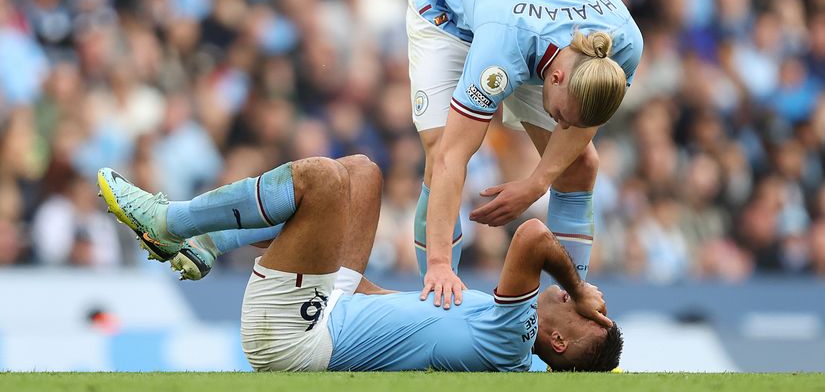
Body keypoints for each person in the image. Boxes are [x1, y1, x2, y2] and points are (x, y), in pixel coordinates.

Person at [97, 155, 621, 372]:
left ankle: (174, 223)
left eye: (588, 316)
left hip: (296, 337)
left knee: (321, 182)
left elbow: (532, 236)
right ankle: (206, 244)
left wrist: (576, 287)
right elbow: (393, 313)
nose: (586, 302)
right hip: (334, 306)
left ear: (558, 342)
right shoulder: (509, 342)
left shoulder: (513, 336)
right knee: (362, 173)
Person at [407, 0, 643, 308]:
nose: (562, 125)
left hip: (523, 18)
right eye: (563, 116)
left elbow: (582, 125)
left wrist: (536, 184)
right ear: (557, 77)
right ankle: (438, 293)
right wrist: (438, 263)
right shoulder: (503, 50)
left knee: (580, 165)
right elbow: (451, 159)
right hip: (446, 14)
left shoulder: (623, 45)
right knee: (441, 147)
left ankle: (570, 302)